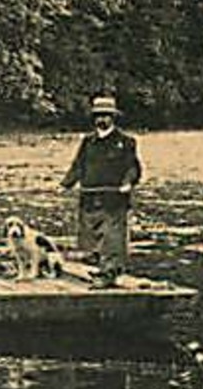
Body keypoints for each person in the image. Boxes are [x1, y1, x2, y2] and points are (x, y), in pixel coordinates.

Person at [60, 95, 143, 288]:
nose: (102, 120)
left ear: (113, 118)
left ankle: (109, 273)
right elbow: (78, 166)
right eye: (98, 116)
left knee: (112, 238)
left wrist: (127, 183)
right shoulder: (88, 141)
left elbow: (133, 168)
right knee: (91, 238)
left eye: (106, 116)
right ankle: (99, 267)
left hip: (114, 199)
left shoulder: (126, 141)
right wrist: (65, 184)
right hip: (90, 196)